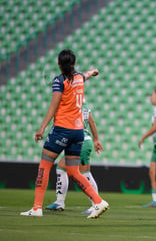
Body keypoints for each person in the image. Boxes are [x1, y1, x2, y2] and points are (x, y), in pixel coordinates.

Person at [20, 49, 109, 218]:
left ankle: (37, 208)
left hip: (62, 129)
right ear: (73, 64)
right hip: (78, 132)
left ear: (59, 64)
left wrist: (42, 128)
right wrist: (94, 71)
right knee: (74, 172)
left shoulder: (59, 81)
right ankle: (98, 202)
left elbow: (54, 106)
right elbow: (87, 74)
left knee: (44, 166)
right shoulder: (80, 78)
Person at [46, 99, 104, 214]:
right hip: (86, 140)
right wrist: (96, 139)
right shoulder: (85, 103)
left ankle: (96, 204)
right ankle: (60, 202)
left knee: (81, 173)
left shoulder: (71, 102)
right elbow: (91, 122)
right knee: (68, 169)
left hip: (79, 141)